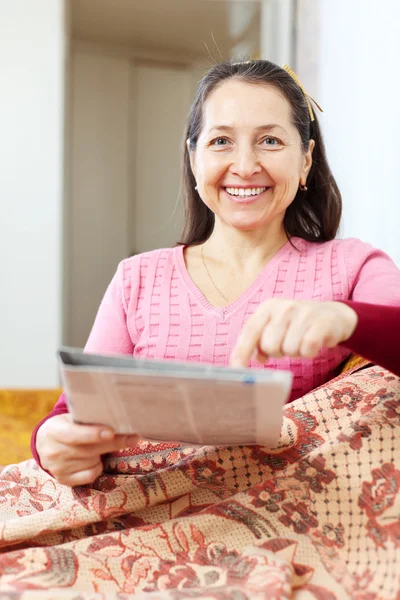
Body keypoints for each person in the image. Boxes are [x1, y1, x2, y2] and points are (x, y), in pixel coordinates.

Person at [32, 59, 400, 486]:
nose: (245, 166)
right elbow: (71, 414)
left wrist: (344, 318)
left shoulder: (353, 266)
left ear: (305, 161)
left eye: (270, 141)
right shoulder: (137, 279)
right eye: (222, 141)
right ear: (193, 159)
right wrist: (49, 443)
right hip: (153, 528)